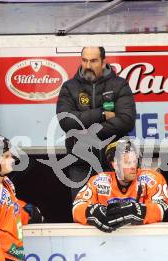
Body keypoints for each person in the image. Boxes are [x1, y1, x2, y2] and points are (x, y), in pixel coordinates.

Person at [56, 46, 136, 209]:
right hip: (81, 165)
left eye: (93, 61)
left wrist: (86, 130)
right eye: (84, 60)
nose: (87, 65)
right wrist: (102, 114)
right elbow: (66, 122)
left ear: (103, 61)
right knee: (82, 216)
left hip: (114, 166)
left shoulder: (119, 85)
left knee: (119, 216)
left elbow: (126, 121)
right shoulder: (69, 87)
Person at [72, 138, 168, 232]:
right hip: (108, 239)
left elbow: (160, 209)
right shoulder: (98, 181)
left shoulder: (152, 178)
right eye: (127, 162)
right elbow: (77, 207)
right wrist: (93, 213)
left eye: (134, 161)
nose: (132, 167)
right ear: (114, 164)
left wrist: (134, 211)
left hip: (145, 239)